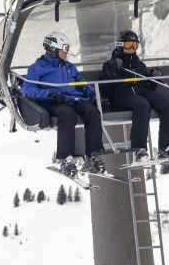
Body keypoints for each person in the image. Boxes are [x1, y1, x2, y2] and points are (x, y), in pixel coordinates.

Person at [20, 31, 106, 177]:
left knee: (92, 112)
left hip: (73, 99)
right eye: (65, 49)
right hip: (53, 102)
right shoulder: (37, 67)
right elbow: (26, 89)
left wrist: (90, 92)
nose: (67, 53)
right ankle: (65, 158)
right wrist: (49, 94)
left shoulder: (68, 67)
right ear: (54, 49)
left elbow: (80, 82)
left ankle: (93, 155)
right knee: (68, 114)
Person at [99, 30, 169, 160]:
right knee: (143, 106)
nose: (132, 48)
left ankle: (166, 147)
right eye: (129, 44)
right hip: (123, 96)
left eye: (135, 45)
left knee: (167, 104)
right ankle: (139, 149)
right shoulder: (110, 65)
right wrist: (112, 71)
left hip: (143, 92)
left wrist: (154, 78)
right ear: (120, 45)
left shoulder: (139, 64)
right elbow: (105, 88)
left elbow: (149, 85)